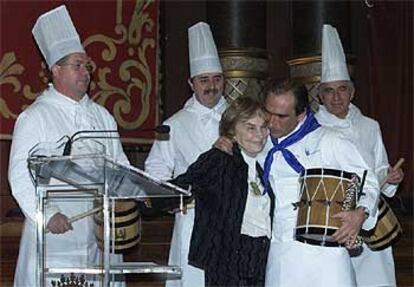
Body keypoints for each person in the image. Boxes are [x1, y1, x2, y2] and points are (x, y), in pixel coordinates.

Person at [8, 5, 128, 286]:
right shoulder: (34, 117)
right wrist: (47, 216)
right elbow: (19, 176)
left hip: (99, 233)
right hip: (56, 236)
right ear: (56, 70)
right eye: (77, 65)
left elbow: (120, 165)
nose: (85, 72)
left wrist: (126, 196)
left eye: (87, 65)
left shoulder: (103, 116)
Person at [259, 80, 380, 287]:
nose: (271, 122)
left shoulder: (330, 140)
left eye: (281, 116)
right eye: (268, 113)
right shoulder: (259, 140)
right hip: (279, 251)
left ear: (301, 115)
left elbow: (367, 182)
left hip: (325, 256)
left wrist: (360, 213)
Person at [315, 24, 404, 287]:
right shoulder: (312, 129)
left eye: (342, 89)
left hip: (370, 219)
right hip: (332, 221)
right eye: (329, 90)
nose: (336, 96)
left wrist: (392, 177)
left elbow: (379, 176)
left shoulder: (369, 126)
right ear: (320, 95)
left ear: (352, 92)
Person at [144, 22, 226, 287]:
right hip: (191, 219)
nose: (211, 86)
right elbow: (156, 171)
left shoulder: (241, 118)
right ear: (191, 83)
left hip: (233, 218)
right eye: (204, 80)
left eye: (217, 79)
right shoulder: (174, 124)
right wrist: (174, 200)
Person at [169, 97, 274, 286]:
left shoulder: (266, 162)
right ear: (232, 131)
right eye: (251, 128)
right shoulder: (219, 158)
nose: (260, 134)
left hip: (262, 257)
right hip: (229, 259)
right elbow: (177, 188)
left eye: (264, 127)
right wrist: (145, 199)